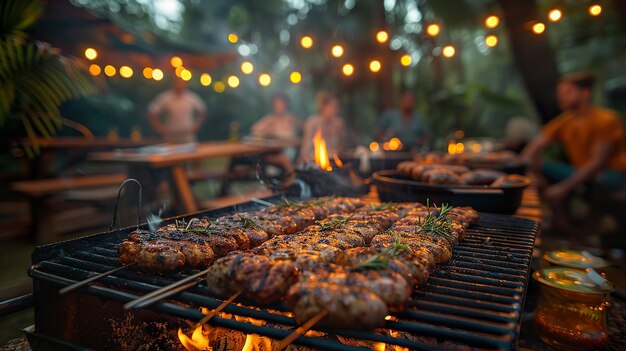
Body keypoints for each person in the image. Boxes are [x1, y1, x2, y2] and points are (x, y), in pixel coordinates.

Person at [522, 72, 626, 230]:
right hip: (578, 171)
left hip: (611, 174)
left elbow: (597, 163)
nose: (561, 97)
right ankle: (563, 223)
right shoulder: (564, 121)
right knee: (544, 168)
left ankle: (592, 229)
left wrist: (564, 187)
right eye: (560, 94)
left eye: (567, 92)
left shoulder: (606, 120)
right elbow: (533, 149)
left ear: (585, 93)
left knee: (599, 181)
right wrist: (532, 173)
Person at [148, 79, 206, 144]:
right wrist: (159, 128)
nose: (179, 86)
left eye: (181, 84)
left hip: (187, 133)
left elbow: (203, 110)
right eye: (177, 84)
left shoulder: (191, 97)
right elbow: (152, 111)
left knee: (191, 152)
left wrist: (196, 126)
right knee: (170, 153)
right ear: (173, 85)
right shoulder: (166, 97)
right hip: (171, 133)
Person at [300, 91, 346, 163]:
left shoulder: (338, 124)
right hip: (315, 162)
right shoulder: (312, 123)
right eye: (331, 106)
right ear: (323, 106)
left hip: (334, 162)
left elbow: (341, 148)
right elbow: (305, 150)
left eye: (336, 107)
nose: (334, 109)